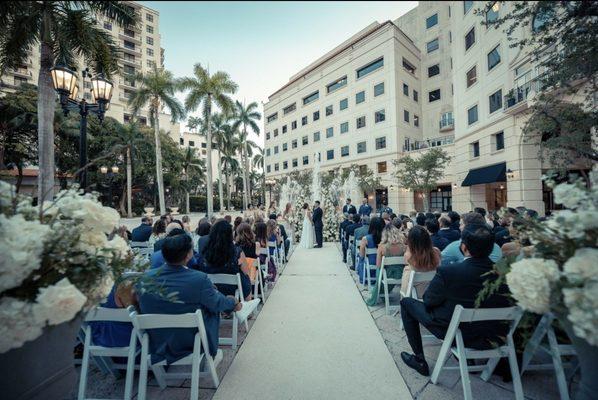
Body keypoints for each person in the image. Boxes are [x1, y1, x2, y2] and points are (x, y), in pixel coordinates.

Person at [399, 225, 511, 376]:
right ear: (491, 248)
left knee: (406, 303)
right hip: (493, 335)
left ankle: (419, 359)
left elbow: (429, 301)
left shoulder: (449, 272)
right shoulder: (505, 274)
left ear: (464, 247)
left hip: (456, 332)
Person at [137, 233, 242, 364]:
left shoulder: (144, 278)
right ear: (188, 255)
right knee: (212, 307)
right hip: (192, 341)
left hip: (157, 341)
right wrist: (233, 302)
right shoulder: (198, 279)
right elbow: (218, 304)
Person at [201, 220, 253, 300]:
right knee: (245, 277)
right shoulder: (237, 251)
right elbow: (246, 271)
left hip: (213, 288)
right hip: (233, 289)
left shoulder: (206, 252)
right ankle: (248, 303)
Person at [365, 224, 406, 306]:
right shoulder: (404, 247)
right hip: (401, 274)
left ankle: (381, 291)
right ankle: (384, 292)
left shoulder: (382, 247)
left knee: (380, 271)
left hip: (387, 274)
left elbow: (378, 265)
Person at [401, 226, 441, 297]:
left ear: (411, 241)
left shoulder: (409, 256)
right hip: (435, 292)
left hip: (416, 294)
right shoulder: (436, 252)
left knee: (407, 271)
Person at [358, 217, 385, 285]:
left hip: (370, 265)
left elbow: (361, 256)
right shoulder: (386, 238)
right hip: (383, 265)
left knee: (360, 259)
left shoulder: (365, 239)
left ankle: (363, 277)